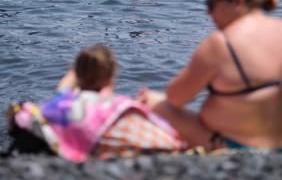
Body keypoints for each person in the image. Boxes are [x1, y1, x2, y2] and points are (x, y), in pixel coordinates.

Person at [139, 0, 282, 154]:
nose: (208, 13)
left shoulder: (221, 44)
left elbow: (175, 98)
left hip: (242, 151)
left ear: (237, 0)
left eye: (211, 4)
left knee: (153, 103)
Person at [7, 44, 187, 161]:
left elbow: (64, 86)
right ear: (111, 77)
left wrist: (81, 68)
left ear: (78, 74)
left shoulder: (64, 102)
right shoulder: (116, 104)